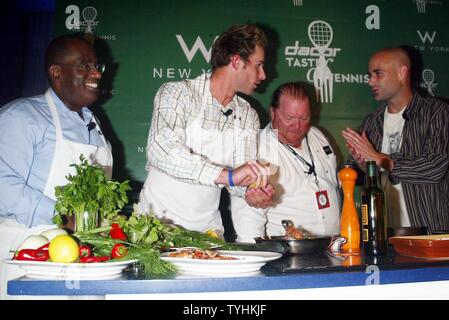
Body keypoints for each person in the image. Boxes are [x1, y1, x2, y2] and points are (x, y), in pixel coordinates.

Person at [0, 34, 112, 298]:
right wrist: (62, 216)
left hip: (83, 259)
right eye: (84, 65)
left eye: (97, 65)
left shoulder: (94, 126)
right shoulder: (23, 117)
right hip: (27, 257)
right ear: (56, 72)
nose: (96, 72)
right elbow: (2, 186)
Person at [137, 24, 274, 234]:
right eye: (259, 65)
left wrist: (250, 191)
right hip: (155, 230)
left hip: (208, 233)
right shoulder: (178, 93)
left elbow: (237, 180)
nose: (263, 75)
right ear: (236, 61)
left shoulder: (248, 114)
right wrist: (227, 176)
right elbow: (161, 150)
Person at [342, 47, 449, 231]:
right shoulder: (372, 121)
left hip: (429, 232)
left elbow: (436, 167)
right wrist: (364, 165)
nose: (370, 81)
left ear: (401, 72)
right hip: (384, 234)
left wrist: (383, 160)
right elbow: (366, 177)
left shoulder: (436, 112)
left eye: (378, 74)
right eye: (369, 75)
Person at [232, 82, 341, 242]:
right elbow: (248, 219)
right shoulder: (257, 149)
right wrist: (256, 257)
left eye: (304, 118)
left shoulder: (318, 135)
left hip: (334, 245)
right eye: (289, 118)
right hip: (288, 254)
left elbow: (334, 184)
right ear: (273, 113)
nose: (297, 126)